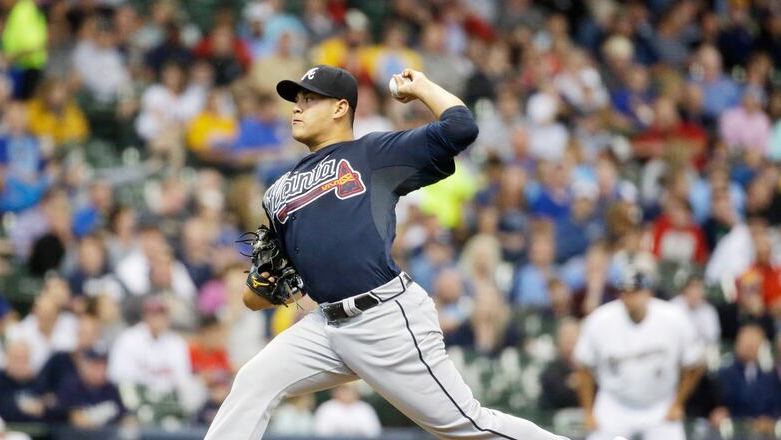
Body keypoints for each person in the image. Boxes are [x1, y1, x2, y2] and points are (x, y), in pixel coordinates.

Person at [205, 65, 568, 440]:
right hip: (326, 327)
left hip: (383, 316)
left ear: (340, 108)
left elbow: (461, 128)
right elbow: (260, 296)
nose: (297, 108)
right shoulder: (278, 192)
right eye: (296, 101)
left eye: (309, 99)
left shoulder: (374, 153)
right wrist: (259, 285)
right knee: (254, 380)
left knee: (465, 425)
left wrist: (424, 87)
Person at [574, 266, 705, 440]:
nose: (629, 297)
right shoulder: (600, 320)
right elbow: (584, 366)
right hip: (614, 405)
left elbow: (696, 364)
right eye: (624, 291)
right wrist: (588, 412)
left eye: (635, 291)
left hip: (660, 405)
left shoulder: (674, 318)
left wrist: (678, 403)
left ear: (648, 292)